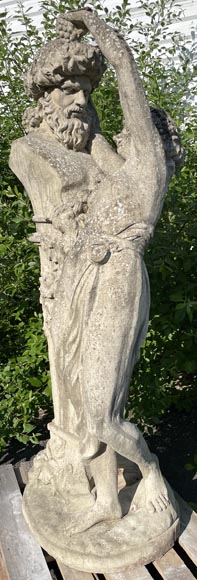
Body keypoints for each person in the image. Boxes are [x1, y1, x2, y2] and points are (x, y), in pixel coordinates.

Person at [10, 9, 184, 534]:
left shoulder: (145, 167)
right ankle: (107, 500)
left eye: (133, 128)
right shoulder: (116, 166)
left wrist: (96, 28)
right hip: (85, 278)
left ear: (150, 140)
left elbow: (127, 84)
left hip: (117, 282)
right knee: (88, 404)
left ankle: (148, 470)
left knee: (103, 411)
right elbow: (85, 137)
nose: (119, 130)